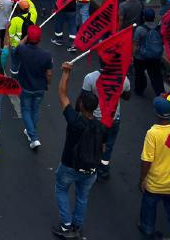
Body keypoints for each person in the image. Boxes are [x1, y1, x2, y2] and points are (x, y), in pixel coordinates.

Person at [52, 62, 103, 239]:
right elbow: (102, 147)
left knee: (61, 190)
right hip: (90, 170)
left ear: (81, 106)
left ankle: (66, 226)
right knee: (82, 197)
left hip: (69, 166)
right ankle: (77, 225)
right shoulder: (100, 126)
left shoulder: (74, 121)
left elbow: (62, 94)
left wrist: (66, 73)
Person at [138, 97, 170, 240]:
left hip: (155, 184)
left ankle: (147, 229)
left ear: (156, 113)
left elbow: (146, 160)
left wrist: (142, 179)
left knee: (149, 207)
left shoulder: (153, 133)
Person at [81, 66, 130, 181]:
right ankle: (103, 170)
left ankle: (88, 168)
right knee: (108, 146)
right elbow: (127, 96)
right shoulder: (123, 78)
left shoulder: (90, 77)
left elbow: (83, 98)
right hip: (113, 119)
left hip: (95, 119)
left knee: (90, 143)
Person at [12, 25, 52, 149]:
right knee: (35, 110)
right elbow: (49, 73)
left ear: (29, 38)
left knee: (26, 110)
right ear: (40, 39)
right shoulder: (46, 55)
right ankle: (31, 132)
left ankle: (33, 137)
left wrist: (26, 37)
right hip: (40, 88)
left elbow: (16, 48)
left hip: (26, 87)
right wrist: (48, 84)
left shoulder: (23, 50)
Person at [133, 8, 166, 97]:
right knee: (156, 76)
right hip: (155, 57)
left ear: (143, 17)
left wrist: (133, 55)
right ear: (154, 18)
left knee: (139, 74)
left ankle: (139, 90)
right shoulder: (159, 28)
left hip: (141, 57)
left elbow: (135, 44)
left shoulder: (139, 29)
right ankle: (161, 93)